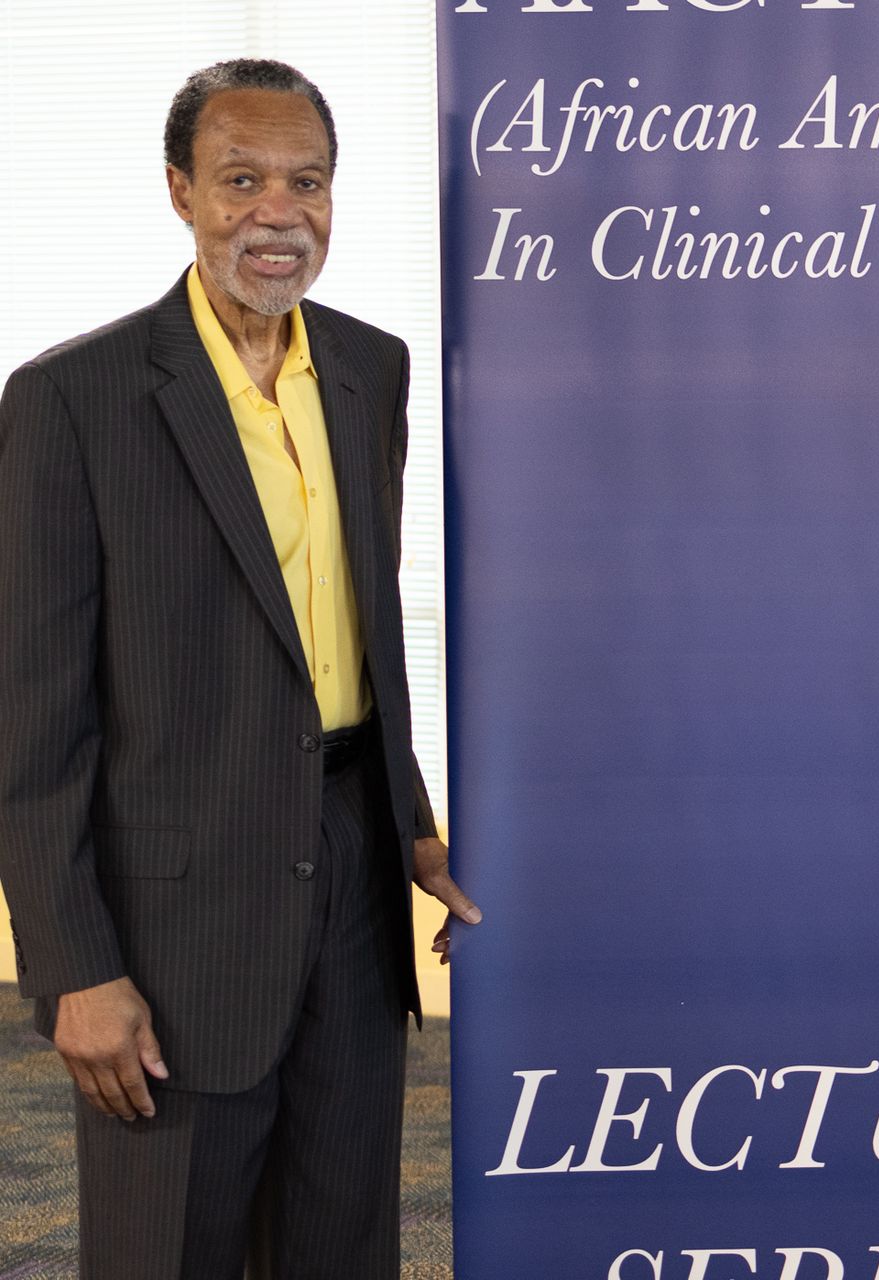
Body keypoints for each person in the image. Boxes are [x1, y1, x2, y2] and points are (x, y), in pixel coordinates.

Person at [0, 58, 479, 1278]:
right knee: (175, 1248)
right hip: (174, 927)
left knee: (344, 1241)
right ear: (181, 192)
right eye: (242, 179)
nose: (279, 212)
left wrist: (410, 822)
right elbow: (32, 719)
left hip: (353, 886)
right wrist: (75, 967)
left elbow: (356, 636)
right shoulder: (72, 400)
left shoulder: (372, 371)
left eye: (306, 181)